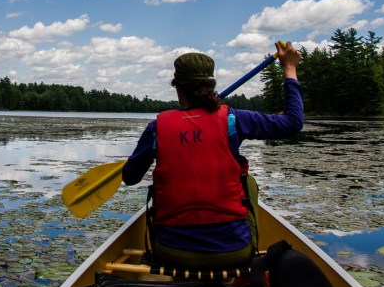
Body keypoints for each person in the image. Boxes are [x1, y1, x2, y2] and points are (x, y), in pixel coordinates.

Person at [122, 41, 304, 271]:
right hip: (234, 251)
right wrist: (289, 68)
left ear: (177, 87)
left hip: (170, 252)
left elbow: (130, 177)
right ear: (211, 84)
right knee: (248, 182)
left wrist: (141, 157)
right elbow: (293, 122)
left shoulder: (156, 127)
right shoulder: (234, 119)